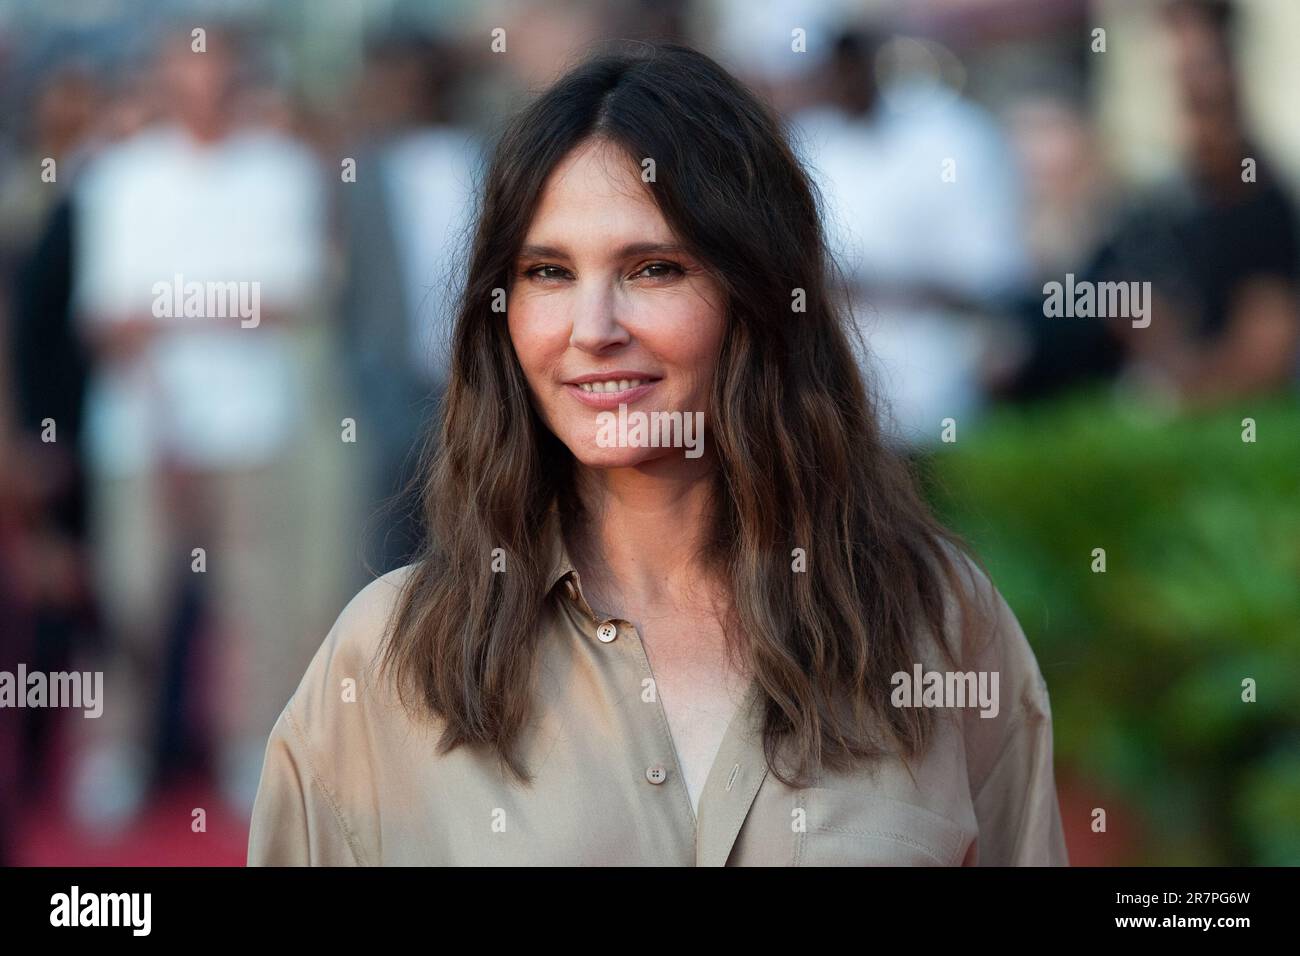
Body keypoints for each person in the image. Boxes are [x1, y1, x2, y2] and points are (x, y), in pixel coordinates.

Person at [248, 42, 1068, 866]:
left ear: (756, 296)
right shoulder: (386, 662)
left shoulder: (938, 622)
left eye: (654, 268)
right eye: (548, 272)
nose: (594, 328)